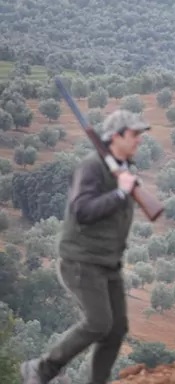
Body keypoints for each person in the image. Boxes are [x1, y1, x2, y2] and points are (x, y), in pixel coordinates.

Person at [20, 110, 152, 384]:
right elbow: (82, 210)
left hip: (108, 263)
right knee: (98, 323)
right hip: (82, 260)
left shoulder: (123, 169)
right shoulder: (92, 167)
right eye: (134, 134)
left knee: (116, 330)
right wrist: (120, 193)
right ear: (116, 136)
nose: (139, 140)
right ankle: (41, 369)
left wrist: (124, 188)